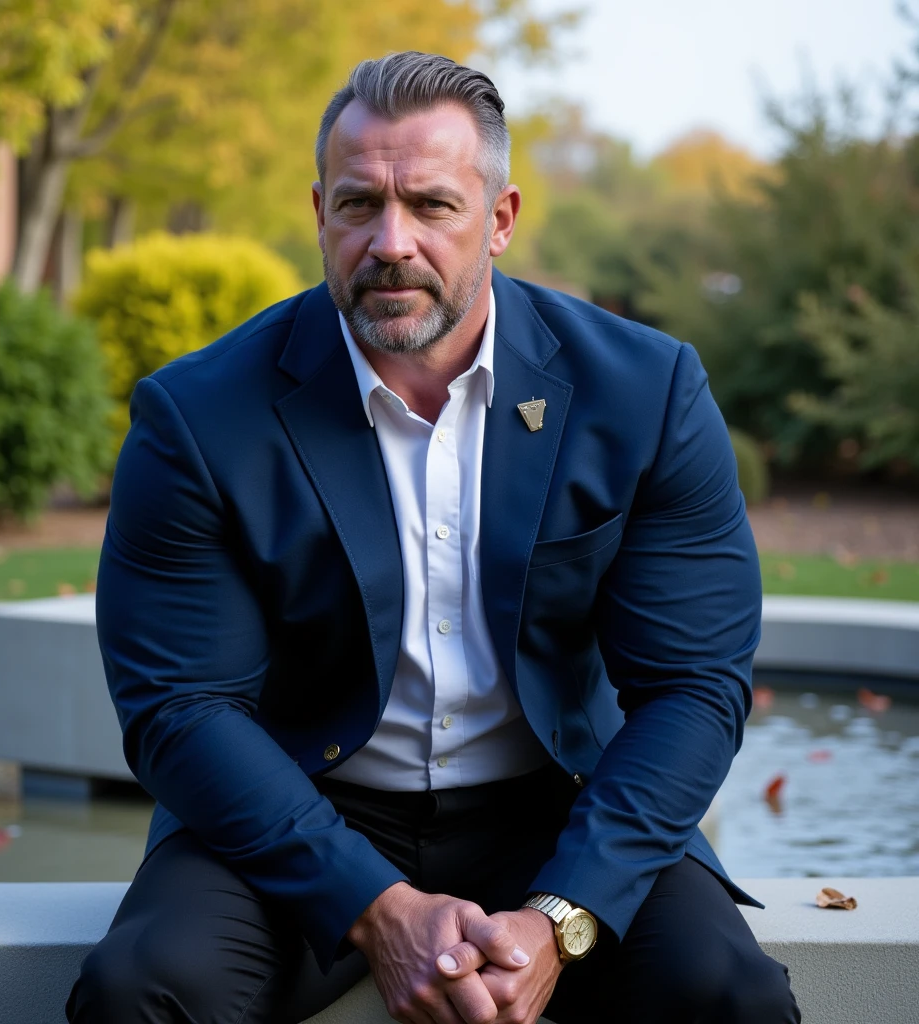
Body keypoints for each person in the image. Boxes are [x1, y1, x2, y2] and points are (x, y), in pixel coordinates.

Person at [66, 50, 800, 1024]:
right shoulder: (199, 417)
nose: (390, 241)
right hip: (297, 806)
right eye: (359, 203)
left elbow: (692, 686)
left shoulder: (646, 392)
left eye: (433, 206)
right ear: (319, 210)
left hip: (558, 802)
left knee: (729, 996)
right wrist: (372, 906)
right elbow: (180, 706)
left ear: (500, 220)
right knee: (140, 992)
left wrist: (561, 914)